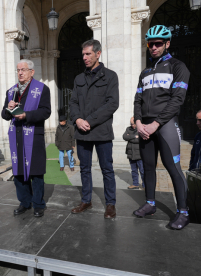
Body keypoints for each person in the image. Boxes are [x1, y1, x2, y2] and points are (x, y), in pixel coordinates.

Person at [133, 25, 190, 230]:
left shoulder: (178, 66)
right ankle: (150, 204)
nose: (154, 47)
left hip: (165, 125)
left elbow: (177, 100)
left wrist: (156, 123)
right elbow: (137, 99)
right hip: (144, 127)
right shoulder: (145, 71)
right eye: (151, 43)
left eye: (158, 43)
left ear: (167, 44)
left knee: (173, 168)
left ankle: (183, 212)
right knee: (147, 167)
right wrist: (139, 123)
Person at [69, 39, 119, 219]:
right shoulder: (79, 78)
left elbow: (112, 103)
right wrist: (78, 119)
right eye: (83, 54)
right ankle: (86, 200)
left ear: (98, 54)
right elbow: (73, 102)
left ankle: (110, 204)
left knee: (107, 169)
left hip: (102, 131)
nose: (84, 57)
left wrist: (89, 120)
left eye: (88, 54)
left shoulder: (110, 76)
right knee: (84, 169)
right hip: (82, 132)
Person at [1, 59, 51, 217]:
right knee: (19, 172)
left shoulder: (42, 89)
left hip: (33, 135)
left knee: (35, 172)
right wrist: (8, 109)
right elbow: (3, 115)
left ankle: (38, 204)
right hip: (16, 136)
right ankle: (24, 202)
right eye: (18, 70)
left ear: (32, 72)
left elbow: (45, 111)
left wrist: (26, 115)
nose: (20, 73)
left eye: (23, 69)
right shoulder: (11, 91)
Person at [123, 117, 144, 190]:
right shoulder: (128, 129)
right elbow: (124, 137)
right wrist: (134, 136)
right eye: (131, 124)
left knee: (142, 170)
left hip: (139, 154)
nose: (132, 125)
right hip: (130, 153)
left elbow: (140, 140)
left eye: (133, 124)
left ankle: (144, 185)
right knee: (134, 170)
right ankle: (135, 184)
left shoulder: (141, 129)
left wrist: (130, 137)